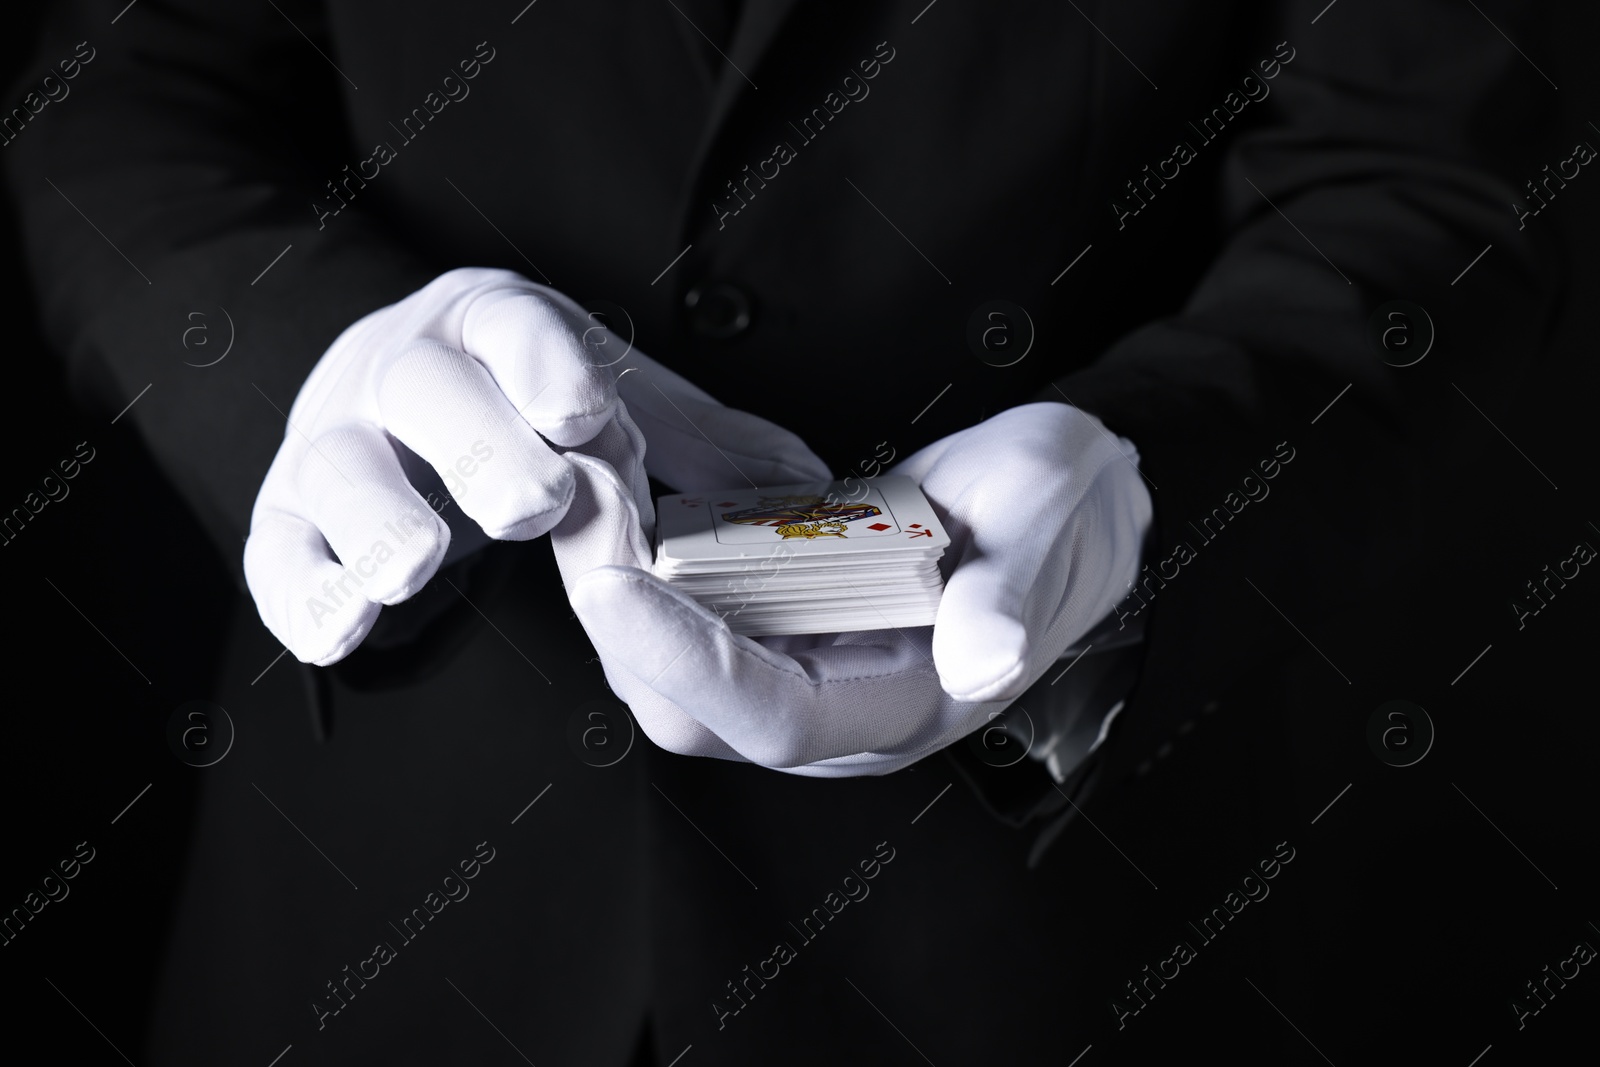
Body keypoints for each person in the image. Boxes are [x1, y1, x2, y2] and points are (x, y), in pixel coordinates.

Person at [4, 1, 1558, 1062]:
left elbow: (1429, 171)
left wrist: (1152, 461)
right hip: (374, 926)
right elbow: (124, 90)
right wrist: (312, 353)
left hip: (1054, 951)